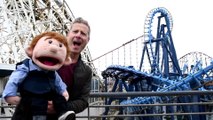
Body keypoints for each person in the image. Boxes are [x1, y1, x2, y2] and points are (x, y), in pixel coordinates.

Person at [2, 32, 75, 120]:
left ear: (66, 60)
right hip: (29, 102)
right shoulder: (25, 67)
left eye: (60, 46)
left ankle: (63, 113)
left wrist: (64, 93)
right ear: (31, 50)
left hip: (47, 102)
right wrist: (10, 95)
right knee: (36, 105)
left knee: (59, 98)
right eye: (50, 42)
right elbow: (14, 80)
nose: (54, 48)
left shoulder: (53, 73)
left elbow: (59, 84)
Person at [47, 17, 92, 119]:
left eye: (83, 33)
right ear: (68, 35)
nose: (78, 35)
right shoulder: (47, 57)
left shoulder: (86, 72)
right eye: (75, 31)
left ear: (87, 40)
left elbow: (83, 101)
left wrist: (59, 107)